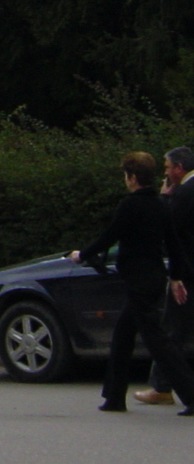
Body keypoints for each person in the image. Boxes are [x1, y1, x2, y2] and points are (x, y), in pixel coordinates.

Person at [69, 151, 194, 415]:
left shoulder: (132, 205)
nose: (126, 180)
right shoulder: (161, 204)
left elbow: (110, 236)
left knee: (158, 341)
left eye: (126, 175)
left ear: (133, 177)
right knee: (123, 337)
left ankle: (191, 395)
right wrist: (177, 277)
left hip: (138, 279)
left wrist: (81, 255)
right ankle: (114, 397)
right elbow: (173, 244)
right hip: (154, 277)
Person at [137, 146, 194, 404]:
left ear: (179, 168)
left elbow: (167, 228)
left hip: (187, 272)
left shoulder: (185, 192)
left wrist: (163, 197)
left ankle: (162, 386)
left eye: (168, 167)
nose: (166, 172)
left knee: (173, 330)